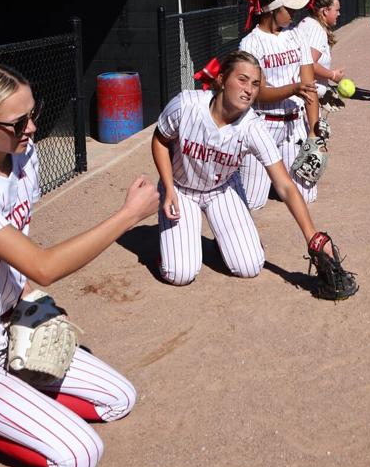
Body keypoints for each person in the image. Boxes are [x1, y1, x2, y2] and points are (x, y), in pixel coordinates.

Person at [0, 63, 158, 467]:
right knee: (80, 454)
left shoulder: (23, 156)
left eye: (32, 112)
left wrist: (25, 300)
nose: (33, 127)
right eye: (18, 121)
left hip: (7, 329)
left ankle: (3, 399)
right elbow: (42, 266)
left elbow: (20, 246)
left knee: (119, 398)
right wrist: (128, 216)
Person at [151, 50, 356, 298]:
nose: (249, 89)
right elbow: (160, 140)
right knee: (180, 274)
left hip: (221, 190)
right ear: (222, 79)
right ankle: (174, 244)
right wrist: (169, 188)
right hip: (181, 188)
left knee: (249, 267)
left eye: (256, 84)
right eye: (242, 79)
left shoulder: (253, 127)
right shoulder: (187, 105)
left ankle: (226, 240)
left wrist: (312, 236)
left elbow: (284, 185)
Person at [237, 0, 321, 210]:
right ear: (271, 10)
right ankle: (234, 169)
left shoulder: (296, 36)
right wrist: (293, 89)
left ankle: (277, 174)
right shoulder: (250, 43)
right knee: (253, 202)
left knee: (306, 197)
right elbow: (258, 93)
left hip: (295, 126)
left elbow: (309, 85)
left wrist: (315, 133)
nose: (293, 13)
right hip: (263, 125)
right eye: (288, 9)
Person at [293, 0, 347, 140]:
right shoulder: (317, 30)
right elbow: (309, 63)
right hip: (307, 100)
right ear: (325, 11)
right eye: (336, 10)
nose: (339, 14)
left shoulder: (306, 22)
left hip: (301, 96)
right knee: (314, 146)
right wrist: (333, 75)